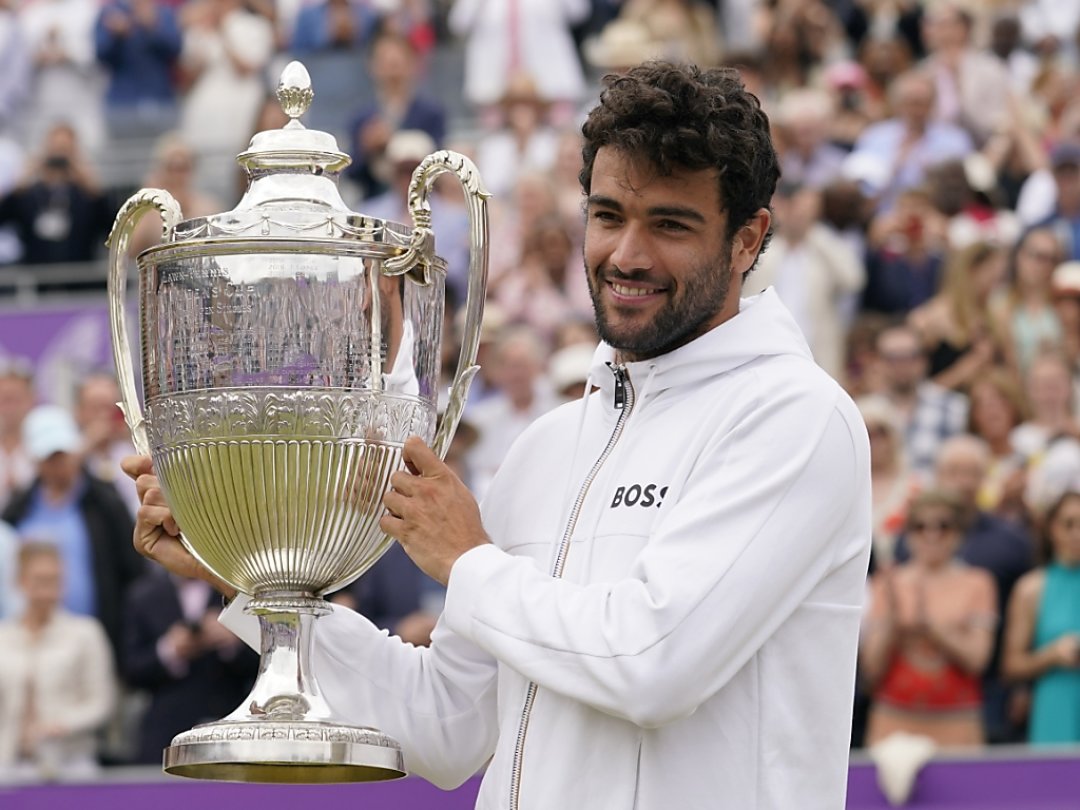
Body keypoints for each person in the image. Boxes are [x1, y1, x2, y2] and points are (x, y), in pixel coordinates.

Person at [124, 62, 872, 809]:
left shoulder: (796, 418)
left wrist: (468, 559)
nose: (627, 255)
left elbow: (652, 663)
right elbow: (448, 726)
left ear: (749, 239)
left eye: (671, 224)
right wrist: (249, 577)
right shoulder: (547, 447)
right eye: (608, 216)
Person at [860, 489, 997, 747]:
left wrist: (931, 627)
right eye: (920, 527)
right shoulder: (887, 583)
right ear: (908, 534)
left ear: (959, 534)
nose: (931, 535)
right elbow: (871, 669)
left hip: (957, 722)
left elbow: (978, 659)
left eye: (943, 526)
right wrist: (892, 621)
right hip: (893, 721)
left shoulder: (977, 583)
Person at [0, 542, 115, 779]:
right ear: (20, 581)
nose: (49, 590)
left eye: (56, 580)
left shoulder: (86, 633)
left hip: (72, 764)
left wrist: (60, 724)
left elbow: (101, 703)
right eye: (41, 580)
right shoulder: (4, 637)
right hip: (10, 765)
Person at [1002, 489, 1080, 744]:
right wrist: (1053, 655)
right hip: (1055, 703)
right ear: (1051, 529)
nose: (1076, 534)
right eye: (1068, 524)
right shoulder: (1032, 588)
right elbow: (1011, 665)